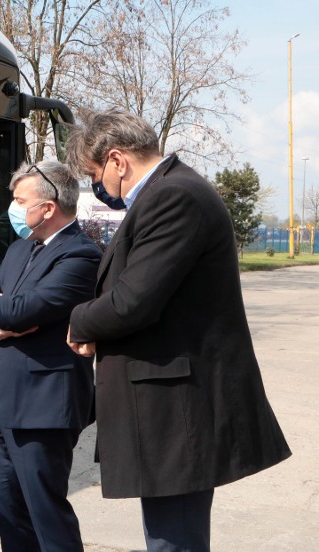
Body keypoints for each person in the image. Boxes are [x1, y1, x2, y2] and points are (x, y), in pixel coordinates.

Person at [64, 109, 291, 551]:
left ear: (117, 160)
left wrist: (79, 321)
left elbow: (132, 301)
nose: (99, 186)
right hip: (166, 403)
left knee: (175, 540)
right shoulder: (172, 190)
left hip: (176, 409)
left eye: (96, 174)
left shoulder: (174, 197)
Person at [0, 161, 102, 551]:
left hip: (44, 407)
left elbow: (23, 311)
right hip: (5, 401)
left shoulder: (79, 255)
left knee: (45, 513)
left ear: (47, 207)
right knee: (9, 513)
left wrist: (1, 307)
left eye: (19, 200)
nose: (12, 207)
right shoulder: (20, 249)